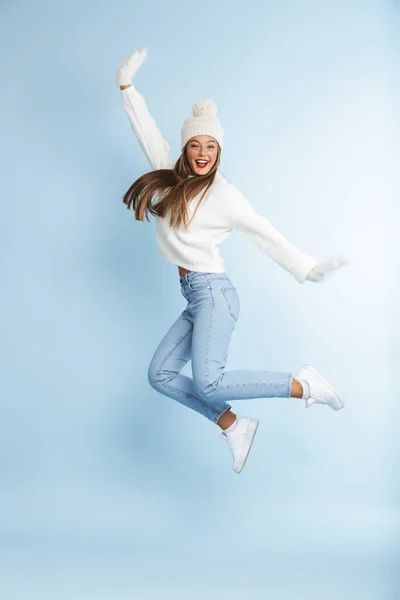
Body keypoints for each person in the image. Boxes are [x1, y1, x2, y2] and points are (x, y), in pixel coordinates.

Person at [116, 48, 349, 474]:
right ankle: (232, 423)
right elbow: (145, 131)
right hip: (193, 295)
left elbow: (265, 234)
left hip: (215, 294)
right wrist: (127, 88)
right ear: (186, 148)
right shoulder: (170, 178)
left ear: (219, 150)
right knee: (161, 375)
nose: (203, 152)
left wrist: (308, 268)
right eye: (195, 144)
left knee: (209, 380)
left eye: (211, 145)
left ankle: (303, 385)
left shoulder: (225, 195)